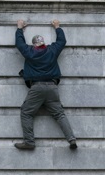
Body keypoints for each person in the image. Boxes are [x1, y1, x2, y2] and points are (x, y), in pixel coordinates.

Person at [14, 19, 77, 150]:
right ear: (43, 43)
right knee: (59, 114)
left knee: (26, 112)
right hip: (52, 87)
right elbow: (62, 41)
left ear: (34, 44)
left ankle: (29, 142)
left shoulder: (29, 52)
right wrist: (57, 27)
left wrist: (19, 28)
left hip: (37, 87)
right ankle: (71, 139)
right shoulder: (52, 50)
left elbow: (19, 44)